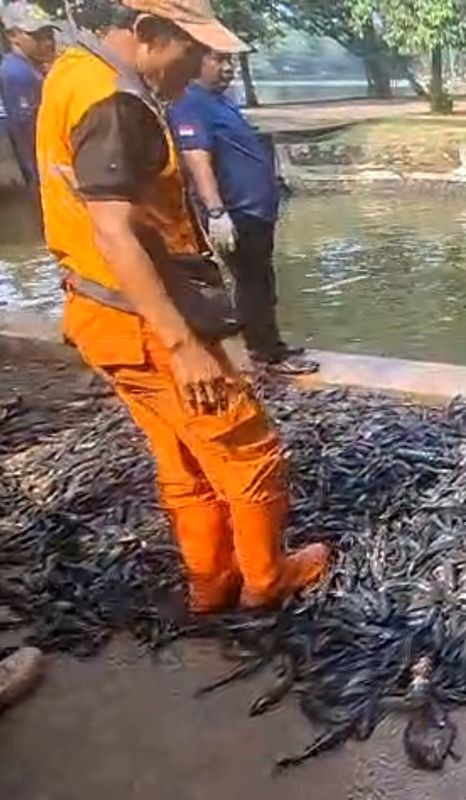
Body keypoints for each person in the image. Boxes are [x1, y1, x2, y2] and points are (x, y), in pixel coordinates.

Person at [37, 0, 330, 614]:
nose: (199, 66)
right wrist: (183, 344)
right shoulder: (116, 100)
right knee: (248, 448)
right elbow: (114, 230)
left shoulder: (72, 71)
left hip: (98, 312)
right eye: (192, 49)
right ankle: (266, 578)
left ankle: (210, 581)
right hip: (144, 321)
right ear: (147, 32)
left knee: (183, 454)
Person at [169, 48, 317, 376]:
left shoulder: (220, 101)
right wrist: (216, 212)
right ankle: (265, 353)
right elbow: (197, 159)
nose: (228, 68)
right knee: (252, 282)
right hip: (235, 212)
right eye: (218, 60)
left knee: (262, 279)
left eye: (230, 61)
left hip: (255, 210)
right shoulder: (190, 104)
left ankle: (268, 343)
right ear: (195, 61)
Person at [1, 1, 59, 193]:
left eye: (49, 34)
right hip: (39, 172)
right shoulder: (17, 74)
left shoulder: (32, 68)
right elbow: (28, 134)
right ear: (12, 35)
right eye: (37, 36)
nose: (48, 42)